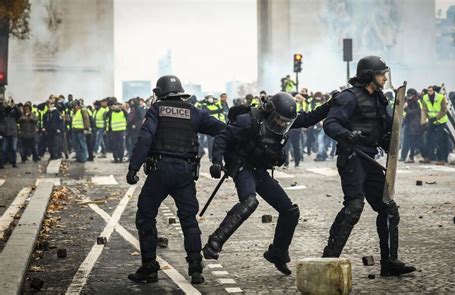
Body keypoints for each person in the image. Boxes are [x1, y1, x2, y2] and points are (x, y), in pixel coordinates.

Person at [203, 92, 331, 275]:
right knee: (249, 202)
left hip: (260, 171)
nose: (281, 124)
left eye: (285, 122)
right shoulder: (248, 121)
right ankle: (215, 242)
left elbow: (311, 117)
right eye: (278, 119)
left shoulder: (286, 121)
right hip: (243, 168)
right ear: (269, 112)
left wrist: (331, 104)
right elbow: (223, 137)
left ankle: (277, 253)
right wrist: (216, 162)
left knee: (290, 211)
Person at [321, 56, 416, 276]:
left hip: (370, 158)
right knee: (354, 207)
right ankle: (327, 260)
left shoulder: (379, 99)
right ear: (369, 75)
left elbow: (382, 129)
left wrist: (389, 138)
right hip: (352, 157)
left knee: (388, 208)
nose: (384, 77)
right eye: (381, 73)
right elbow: (330, 123)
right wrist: (348, 135)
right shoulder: (349, 97)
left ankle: (390, 262)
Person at [126, 75, 225, 284]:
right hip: (185, 174)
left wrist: (133, 168)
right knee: (189, 220)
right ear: (180, 92)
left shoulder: (156, 110)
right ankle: (196, 270)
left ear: (159, 93)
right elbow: (221, 129)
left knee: (145, 215)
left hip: (160, 172)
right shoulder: (193, 112)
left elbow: (145, 139)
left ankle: (149, 268)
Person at [420, 86, 449, 165]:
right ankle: (428, 157)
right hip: (431, 121)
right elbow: (424, 110)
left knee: (439, 139)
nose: (429, 92)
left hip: (441, 121)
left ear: (434, 91)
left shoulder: (441, 97)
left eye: (431, 91)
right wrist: (423, 122)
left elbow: (444, 110)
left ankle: (441, 159)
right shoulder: (425, 98)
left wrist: (436, 117)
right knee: (428, 138)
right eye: (428, 91)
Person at [399, 88, 423, 163]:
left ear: (414, 95)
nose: (409, 96)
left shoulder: (416, 103)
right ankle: (403, 156)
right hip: (408, 125)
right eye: (408, 95)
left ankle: (411, 157)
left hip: (414, 126)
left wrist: (406, 108)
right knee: (406, 142)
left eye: (410, 95)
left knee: (413, 143)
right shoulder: (408, 102)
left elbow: (412, 113)